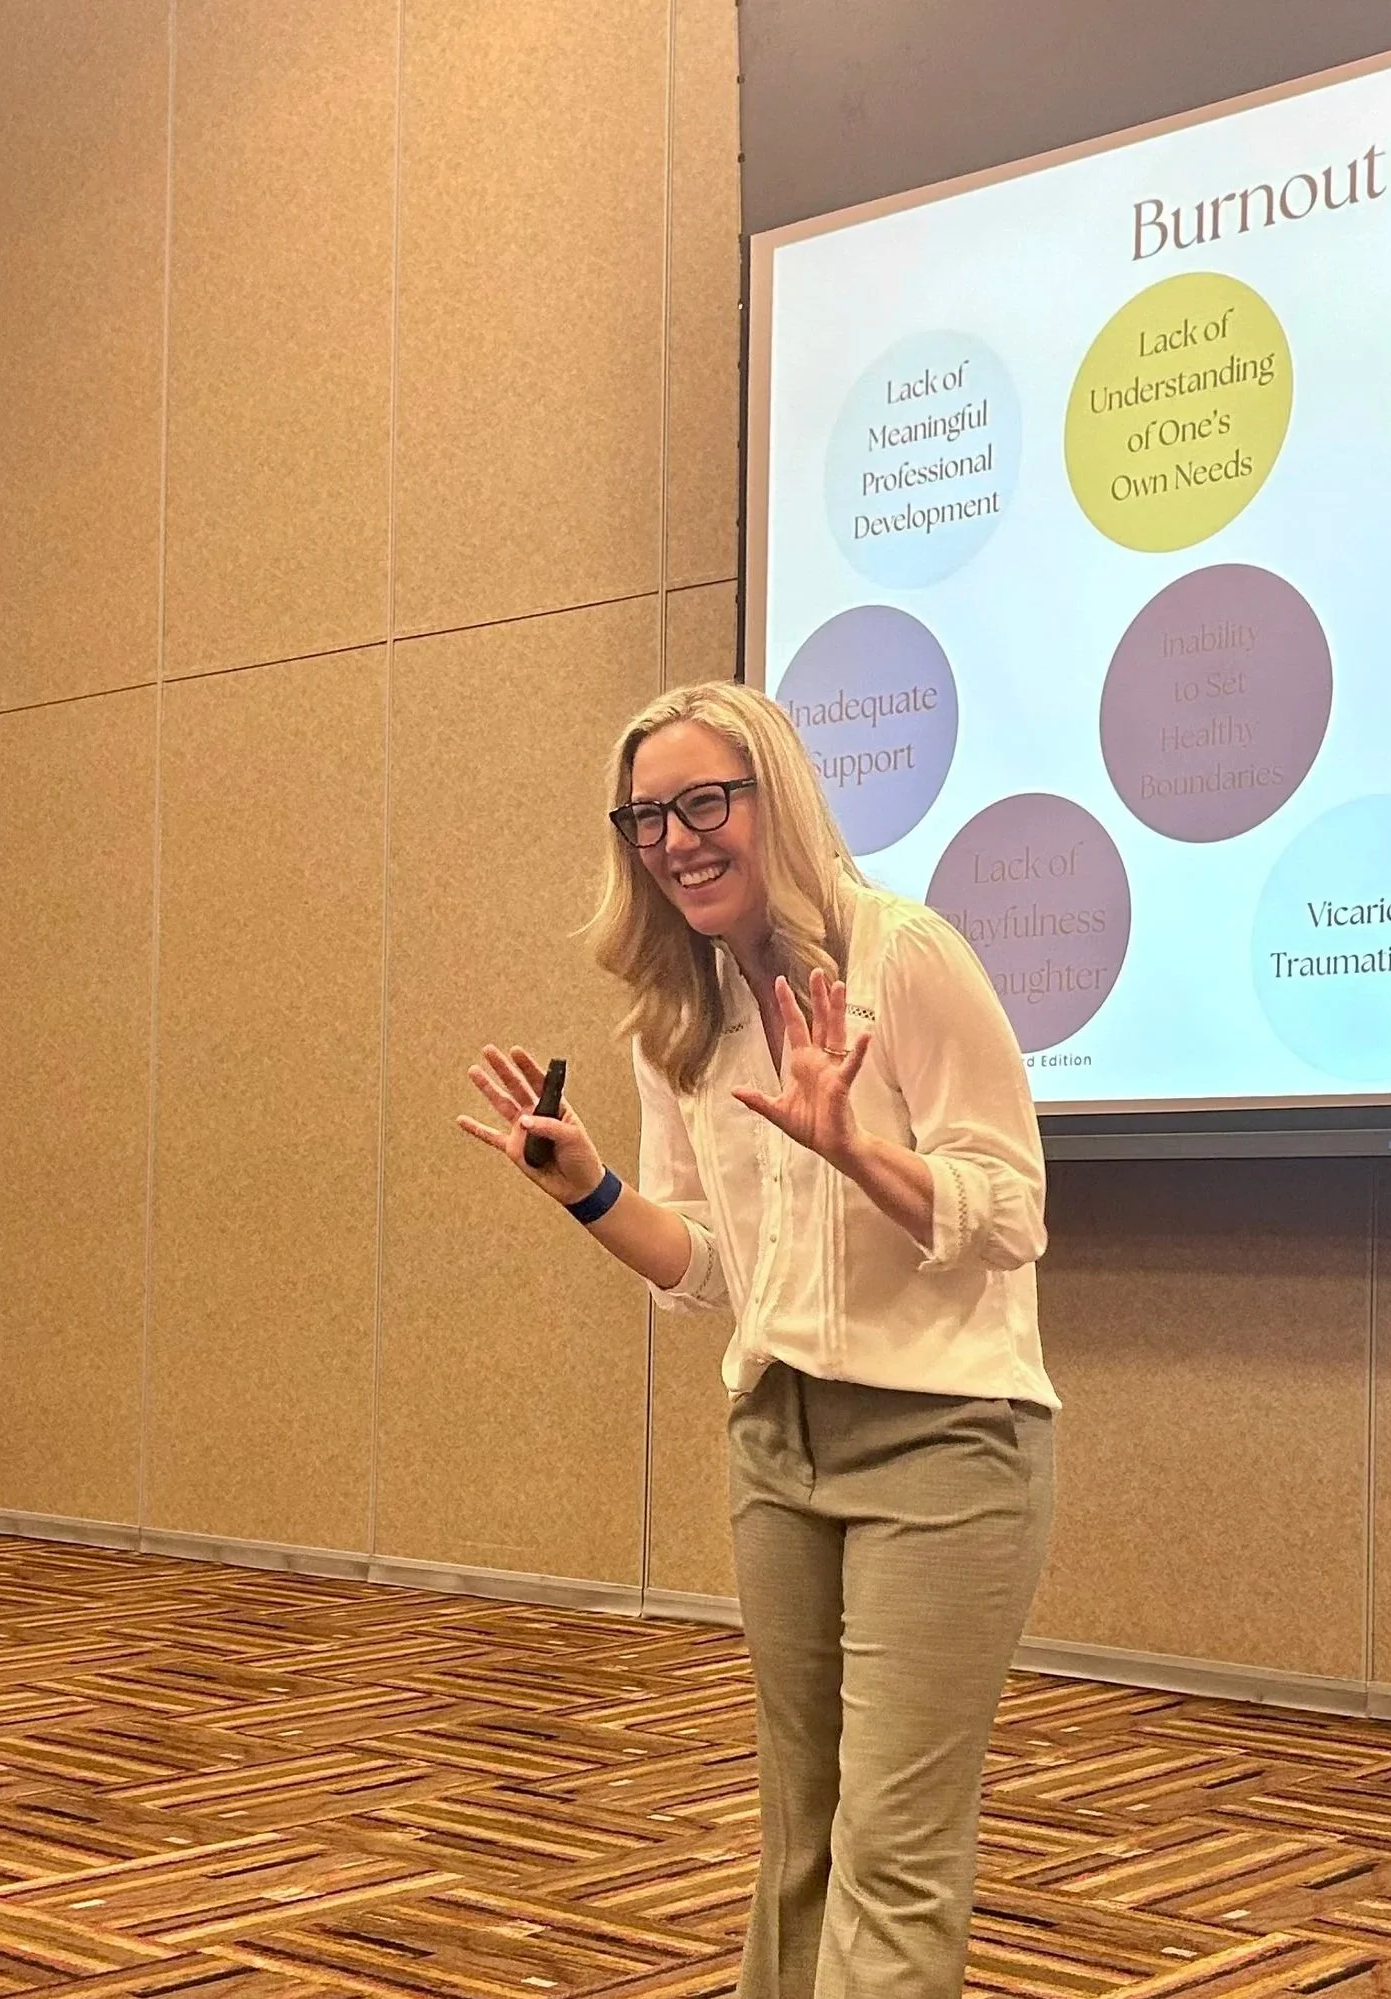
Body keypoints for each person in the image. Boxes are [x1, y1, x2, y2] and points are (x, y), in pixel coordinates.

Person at [459, 680, 1057, 1999]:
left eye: (703, 802)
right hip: (776, 1444)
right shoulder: (679, 1018)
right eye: (645, 817)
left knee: (890, 1852)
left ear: (773, 798)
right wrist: (589, 1190)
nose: (674, 839)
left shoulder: (906, 957)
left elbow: (1014, 1213)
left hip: (948, 1442)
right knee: (801, 1832)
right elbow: (717, 1266)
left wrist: (861, 1151)